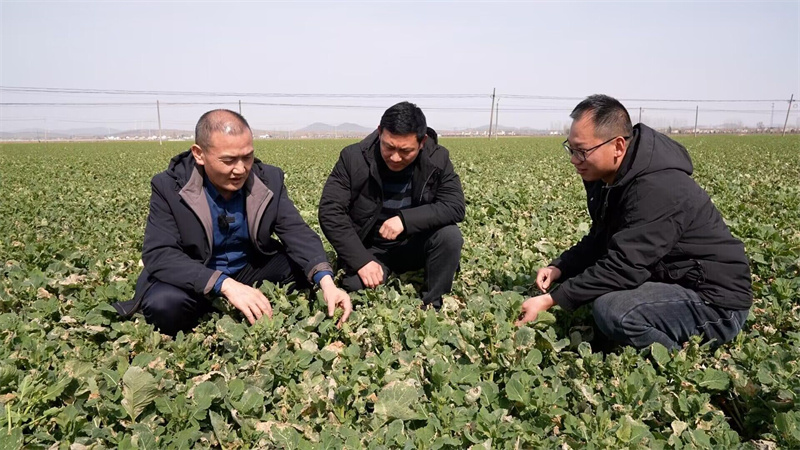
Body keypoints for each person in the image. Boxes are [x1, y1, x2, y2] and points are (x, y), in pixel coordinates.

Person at [515, 95, 752, 350]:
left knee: (614, 311)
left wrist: (552, 299)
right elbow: (601, 238)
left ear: (618, 146)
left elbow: (625, 266)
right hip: (673, 281)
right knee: (601, 296)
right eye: (571, 149)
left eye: (582, 151)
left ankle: (677, 360)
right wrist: (561, 266)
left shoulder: (658, 187)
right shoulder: (611, 176)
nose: (574, 159)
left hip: (715, 302)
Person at [112, 109, 351, 335]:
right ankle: (215, 309)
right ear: (199, 154)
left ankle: (244, 302)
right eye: (228, 160)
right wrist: (224, 284)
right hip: (196, 274)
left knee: (302, 269)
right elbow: (160, 254)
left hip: (247, 268)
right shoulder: (169, 187)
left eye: (247, 157)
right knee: (165, 305)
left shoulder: (268, 180)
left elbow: (296, 232)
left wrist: (327, 283)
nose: (241, 169)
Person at [318, 101, 465, 309]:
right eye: (388, 147)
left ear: (422, 142)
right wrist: (361, 261)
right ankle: (377, 270)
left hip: (414, 244)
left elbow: (455, 205)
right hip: (372, 250)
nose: (395, 157)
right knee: (353, 286)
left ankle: (433, 303)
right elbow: (330, 211)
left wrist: (406, 220)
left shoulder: (437, 158)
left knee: (449, 236)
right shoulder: (353, 158)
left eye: (406, 151)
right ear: (380, 133)